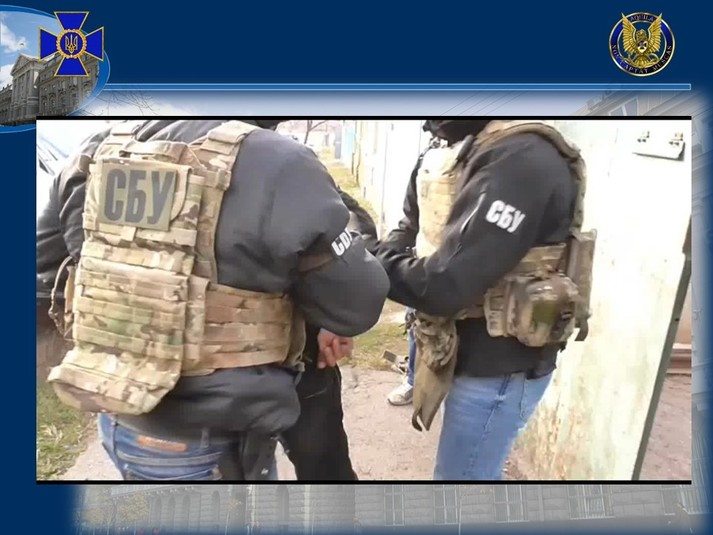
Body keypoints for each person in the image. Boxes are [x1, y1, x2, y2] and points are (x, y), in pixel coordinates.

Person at [38, 119, 389, 481]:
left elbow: (46, 270)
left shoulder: (97, 149)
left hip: (121, 421)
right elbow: (358, 303)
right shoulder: (279, 162)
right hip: (216, 441)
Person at [363, 119, 595, 480]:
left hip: (497, 364)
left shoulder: (519, 158)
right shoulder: (472, 148)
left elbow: (445, 284)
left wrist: (369, 258)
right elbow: (413, 226)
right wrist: (383, 255)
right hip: (461, 348)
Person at [280, 186, 375, 480]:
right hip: (202, 375)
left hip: (300, 356)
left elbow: (354, 229)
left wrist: (335, 314)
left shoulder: (288, 168)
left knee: (326, 473)